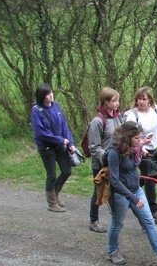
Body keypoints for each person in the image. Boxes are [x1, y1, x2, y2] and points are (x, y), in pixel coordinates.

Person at [105, 122, 157, 266]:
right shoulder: (114, 153)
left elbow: (138, 164)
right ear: (127, 138)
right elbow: (115, 181)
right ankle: (112, 251)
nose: (140, 141)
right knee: (117, 224)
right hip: (121, 194)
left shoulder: (135, 149)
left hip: (136, 190)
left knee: (149, 222)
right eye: (137, 138)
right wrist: (132, 198)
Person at [123, 86, 157, 223]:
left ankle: (127, 193)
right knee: (151, 176)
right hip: (139, 149)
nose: (141, 102)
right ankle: (153, 209)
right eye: (139, 99)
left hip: (153, 148)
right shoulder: (133, 115)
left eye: (144, 99)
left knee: (150, 175)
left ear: (150, 99)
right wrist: (141, 145)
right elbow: (127, 135)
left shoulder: (155, 110)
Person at [30, 84, 76, 213]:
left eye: (51, 92)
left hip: (60, 144)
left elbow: (64, 125)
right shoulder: (36, 111)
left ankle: (56, 193)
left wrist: (70, 143)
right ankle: (52, 202)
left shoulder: (56, 106)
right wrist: (60, 139)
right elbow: (40, 132)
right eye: (47, 94)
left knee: (67, 170)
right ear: (41, 96)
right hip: (46, 146)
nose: (51, 95)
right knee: (51, 174)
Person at [87, 87, 123, 233]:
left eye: (118, 100)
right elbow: (94, 147)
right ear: (106, 102)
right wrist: (107, 157)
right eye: (114, 101)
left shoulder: (117, 117)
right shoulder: (97, 122)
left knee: (116, 189)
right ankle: (93, 220)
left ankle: (117, 219)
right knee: (99, 191)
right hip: (101, 164)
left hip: (116, 161)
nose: (117, 104)